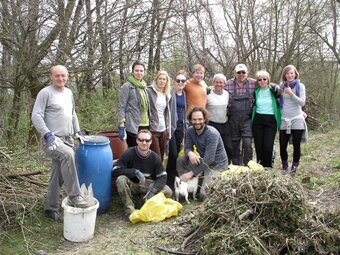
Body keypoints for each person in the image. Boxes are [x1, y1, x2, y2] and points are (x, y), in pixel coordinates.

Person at [31, 65, 89, 222]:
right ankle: (75, 196)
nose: (60, 78)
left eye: (63, 75)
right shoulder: (45, 93)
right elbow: (36, 116)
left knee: (57, 175)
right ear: (51, 77)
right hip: (51, 141)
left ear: (68, 76)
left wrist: (77, 131)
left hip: (67, 139)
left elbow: (73, 114)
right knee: (69, 155)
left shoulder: (69, 92)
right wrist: (47, 134)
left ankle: (51, 209)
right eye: (57, 76)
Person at [113, 129, 173, 216]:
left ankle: (144, 202)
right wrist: (132, 172)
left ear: (151, 141)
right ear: (137, 140)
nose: (144, 143)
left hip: (146, 184)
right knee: (120, 179)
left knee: (168, 191)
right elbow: (115, 170)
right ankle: (130, 210)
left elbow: (162, 177)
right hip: (132, 183)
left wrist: (152, 191)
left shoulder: (155, 157)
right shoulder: (129, 153)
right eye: (141, 140)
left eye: (147, 140)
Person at [178, 107, 228, 197]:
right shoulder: (190, 131)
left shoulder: (212, 134)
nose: (197, 122)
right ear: (190, 120)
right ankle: (184, 186)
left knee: (204, 195)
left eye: (200, 119)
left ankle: (200, 181)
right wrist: (190, 153)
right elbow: (187, 148)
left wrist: (191, 173)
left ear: (205, 119)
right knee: (181, 160)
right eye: (194, 119)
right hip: (203, 161)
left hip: (216, 165)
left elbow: (209, 159)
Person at [225, 64, 256, 165]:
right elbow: (216, 86)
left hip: (247, 119)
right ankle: (236, 166)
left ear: (247, 73)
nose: (241, 74)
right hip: (233, 119)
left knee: (247, 144)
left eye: (243, 72)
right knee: (234, 144)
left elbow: (266, 83)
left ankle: (248, 165)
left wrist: (274, 86)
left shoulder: (254, 83)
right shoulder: (228, 84)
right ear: (235, 73)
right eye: (239, 72)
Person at [279, 65, 307, 176]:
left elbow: (302, 102)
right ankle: (284, 166)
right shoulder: (281, 86)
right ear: (284, 75)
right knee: (282, 144)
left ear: (295, 74)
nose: (290, 75)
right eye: (287, 73)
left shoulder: (300, 86)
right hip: (284, 119)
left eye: (291, 73)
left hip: (297, 118)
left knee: (296, 145)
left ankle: (294, 168)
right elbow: (275, 98)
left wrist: (291, 94)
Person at [251, 70, 281, 168]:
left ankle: (268, 168)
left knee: (268, 147)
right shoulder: (256, 91)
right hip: (258, 120)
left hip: (271, 120)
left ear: (268, 80)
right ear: (257, 81)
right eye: (260, 79)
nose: (262, 81)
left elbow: (282, 95)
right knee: (259, 147)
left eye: (265, 79)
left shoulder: (274, 90)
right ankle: (260, 168)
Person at [118, 60, 149, 147]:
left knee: (144, 152)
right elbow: (121, 106)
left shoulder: (144, 87)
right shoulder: (127, 86)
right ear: (132, 72)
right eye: (137, 70)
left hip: (145, 124)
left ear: (144, 72)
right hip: (132, 125)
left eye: (141, 71)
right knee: (134, 152)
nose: (139, 73)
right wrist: (121, 125)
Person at [146, 70, 176, 161]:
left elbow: (168, 113)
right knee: (157, 157)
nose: (162, 81)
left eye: (164, 79)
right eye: (160, 79)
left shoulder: (167, 94)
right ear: (156, 80)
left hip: (163, 129)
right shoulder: (149, 91)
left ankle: (159, 174)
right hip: (153, 129)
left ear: (167, 82)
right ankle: (157, 174)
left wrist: (169, 128)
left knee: (162, 157)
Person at [165, 70, 187, 190]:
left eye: (183, 80)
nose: (180, 82)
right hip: (171, 126)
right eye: (178, 80)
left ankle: (173, 179)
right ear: (174, 81)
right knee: (172, 153)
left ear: (185, 82)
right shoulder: (170, 92)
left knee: (177, 154)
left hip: (180, 127)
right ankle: (168, 181)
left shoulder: (184, 94)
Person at [206, 73, 232, 164]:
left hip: (225, 124)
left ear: (224, 84)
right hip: (212, 124)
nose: (218, 84)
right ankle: (212, 166)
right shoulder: (208, 93)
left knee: (228, 146)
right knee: (214, 147)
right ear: (213, 82)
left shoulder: (227, 94)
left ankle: (227, 165)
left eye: (221, 82)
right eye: (216, 82)